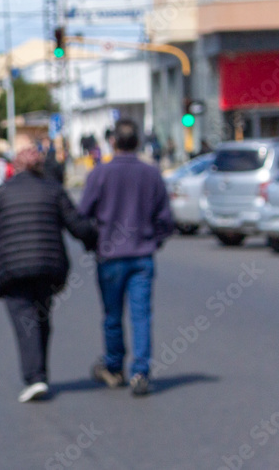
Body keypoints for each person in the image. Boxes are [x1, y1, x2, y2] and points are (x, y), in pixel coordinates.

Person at [0, 146, 96, 403]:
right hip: (48, 266)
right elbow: (76, 225)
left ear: (14, 167)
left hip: (12, 269)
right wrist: (97, 238)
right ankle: (40, 374)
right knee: (42, 317)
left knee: (24, 319)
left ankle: (35, 378)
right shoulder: (53, 190)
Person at [78, 118, 173, 397]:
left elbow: (82, 214)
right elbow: (166, 220)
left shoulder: (100, 173)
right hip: (142, 255)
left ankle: (114, 366)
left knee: (112, 316)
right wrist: (152, 241)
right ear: (139, 143)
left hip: (110, 255)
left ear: (113, 141)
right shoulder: (151, 173)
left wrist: (94, 242)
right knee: (141, 315)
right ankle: (140, 371)